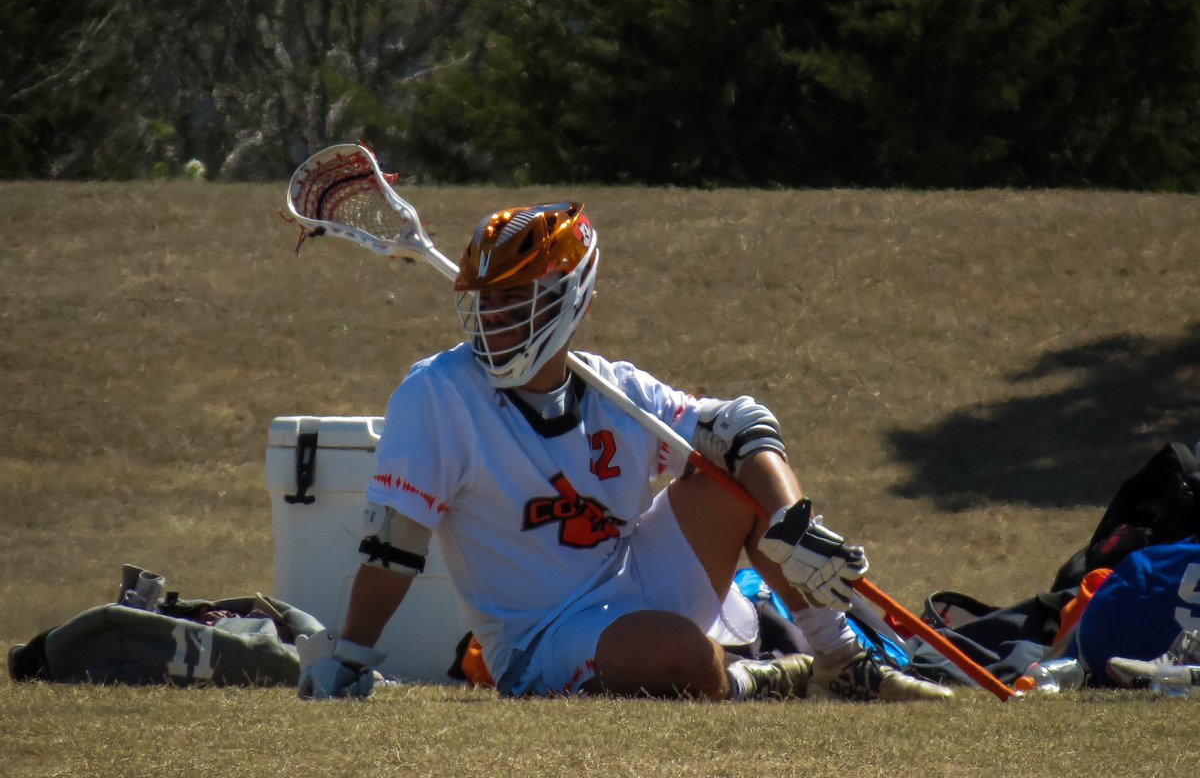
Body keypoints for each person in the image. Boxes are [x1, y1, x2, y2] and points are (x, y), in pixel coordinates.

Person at [298, 201, 952, 703]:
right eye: (487, 302)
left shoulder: (615, 389)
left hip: (634, 577)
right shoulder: (437, 392)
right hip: (542, 636)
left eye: (514, 300)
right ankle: (762, 681)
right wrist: (351, 653)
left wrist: (792, 524)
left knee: (738, 482)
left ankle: (840, 662)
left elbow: (741, 424)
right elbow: (394, 545)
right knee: (685, 658)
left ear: (571, 298)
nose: (494, 320)